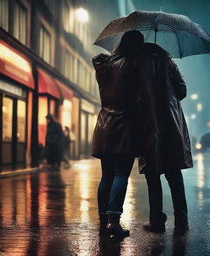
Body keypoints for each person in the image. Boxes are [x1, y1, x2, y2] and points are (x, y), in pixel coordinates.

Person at [92, 30, 144, 238]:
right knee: (121, 173)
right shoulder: (133, 66)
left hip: (104, 123)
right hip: (125, 124)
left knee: (107, 175)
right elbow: (139, 97)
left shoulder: (104, 65)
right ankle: (114, 221)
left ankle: (104, 219)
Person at [138, 43, 193, 235]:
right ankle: (182, 221)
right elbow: (182, 90)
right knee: (174, 175)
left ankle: (156, 221)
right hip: (171, 124)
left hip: (147, 123)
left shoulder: (138, 62)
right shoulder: (168, 62)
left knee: (152, 176)